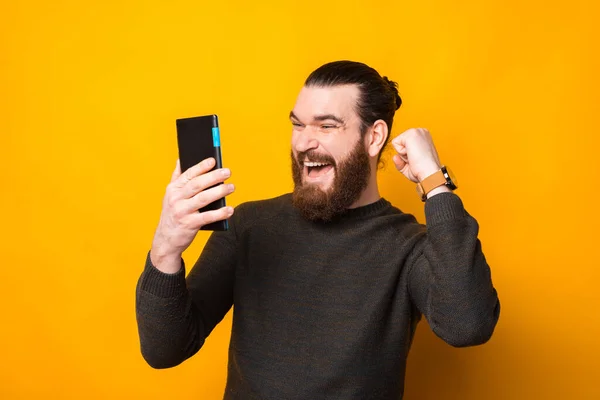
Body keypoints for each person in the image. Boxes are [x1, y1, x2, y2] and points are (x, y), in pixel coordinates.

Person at [135, 60, 500, 399]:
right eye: (298, 124)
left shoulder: (410, 246)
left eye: (326, 126)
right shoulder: (249, 226)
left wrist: (434, 183)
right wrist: (165, 250)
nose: (303, 142)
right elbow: (165, 350)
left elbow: (467, 325)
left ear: (374, 138)